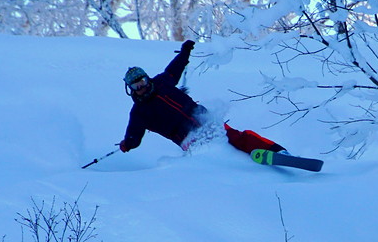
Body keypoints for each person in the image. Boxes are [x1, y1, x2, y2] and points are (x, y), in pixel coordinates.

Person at [118, 40, 288, 156]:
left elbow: (174, 68)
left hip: (201, 116)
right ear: (130, 89)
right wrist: (127, 144)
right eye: (135, 86)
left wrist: (184, 52)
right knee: (210, 154)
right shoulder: (139, 113)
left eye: (142, 81)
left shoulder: (162, 82)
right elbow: (134, 137)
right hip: (185, 137)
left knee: (235, 137)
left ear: (147, 78)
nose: (141, 87)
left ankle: (275, 151)